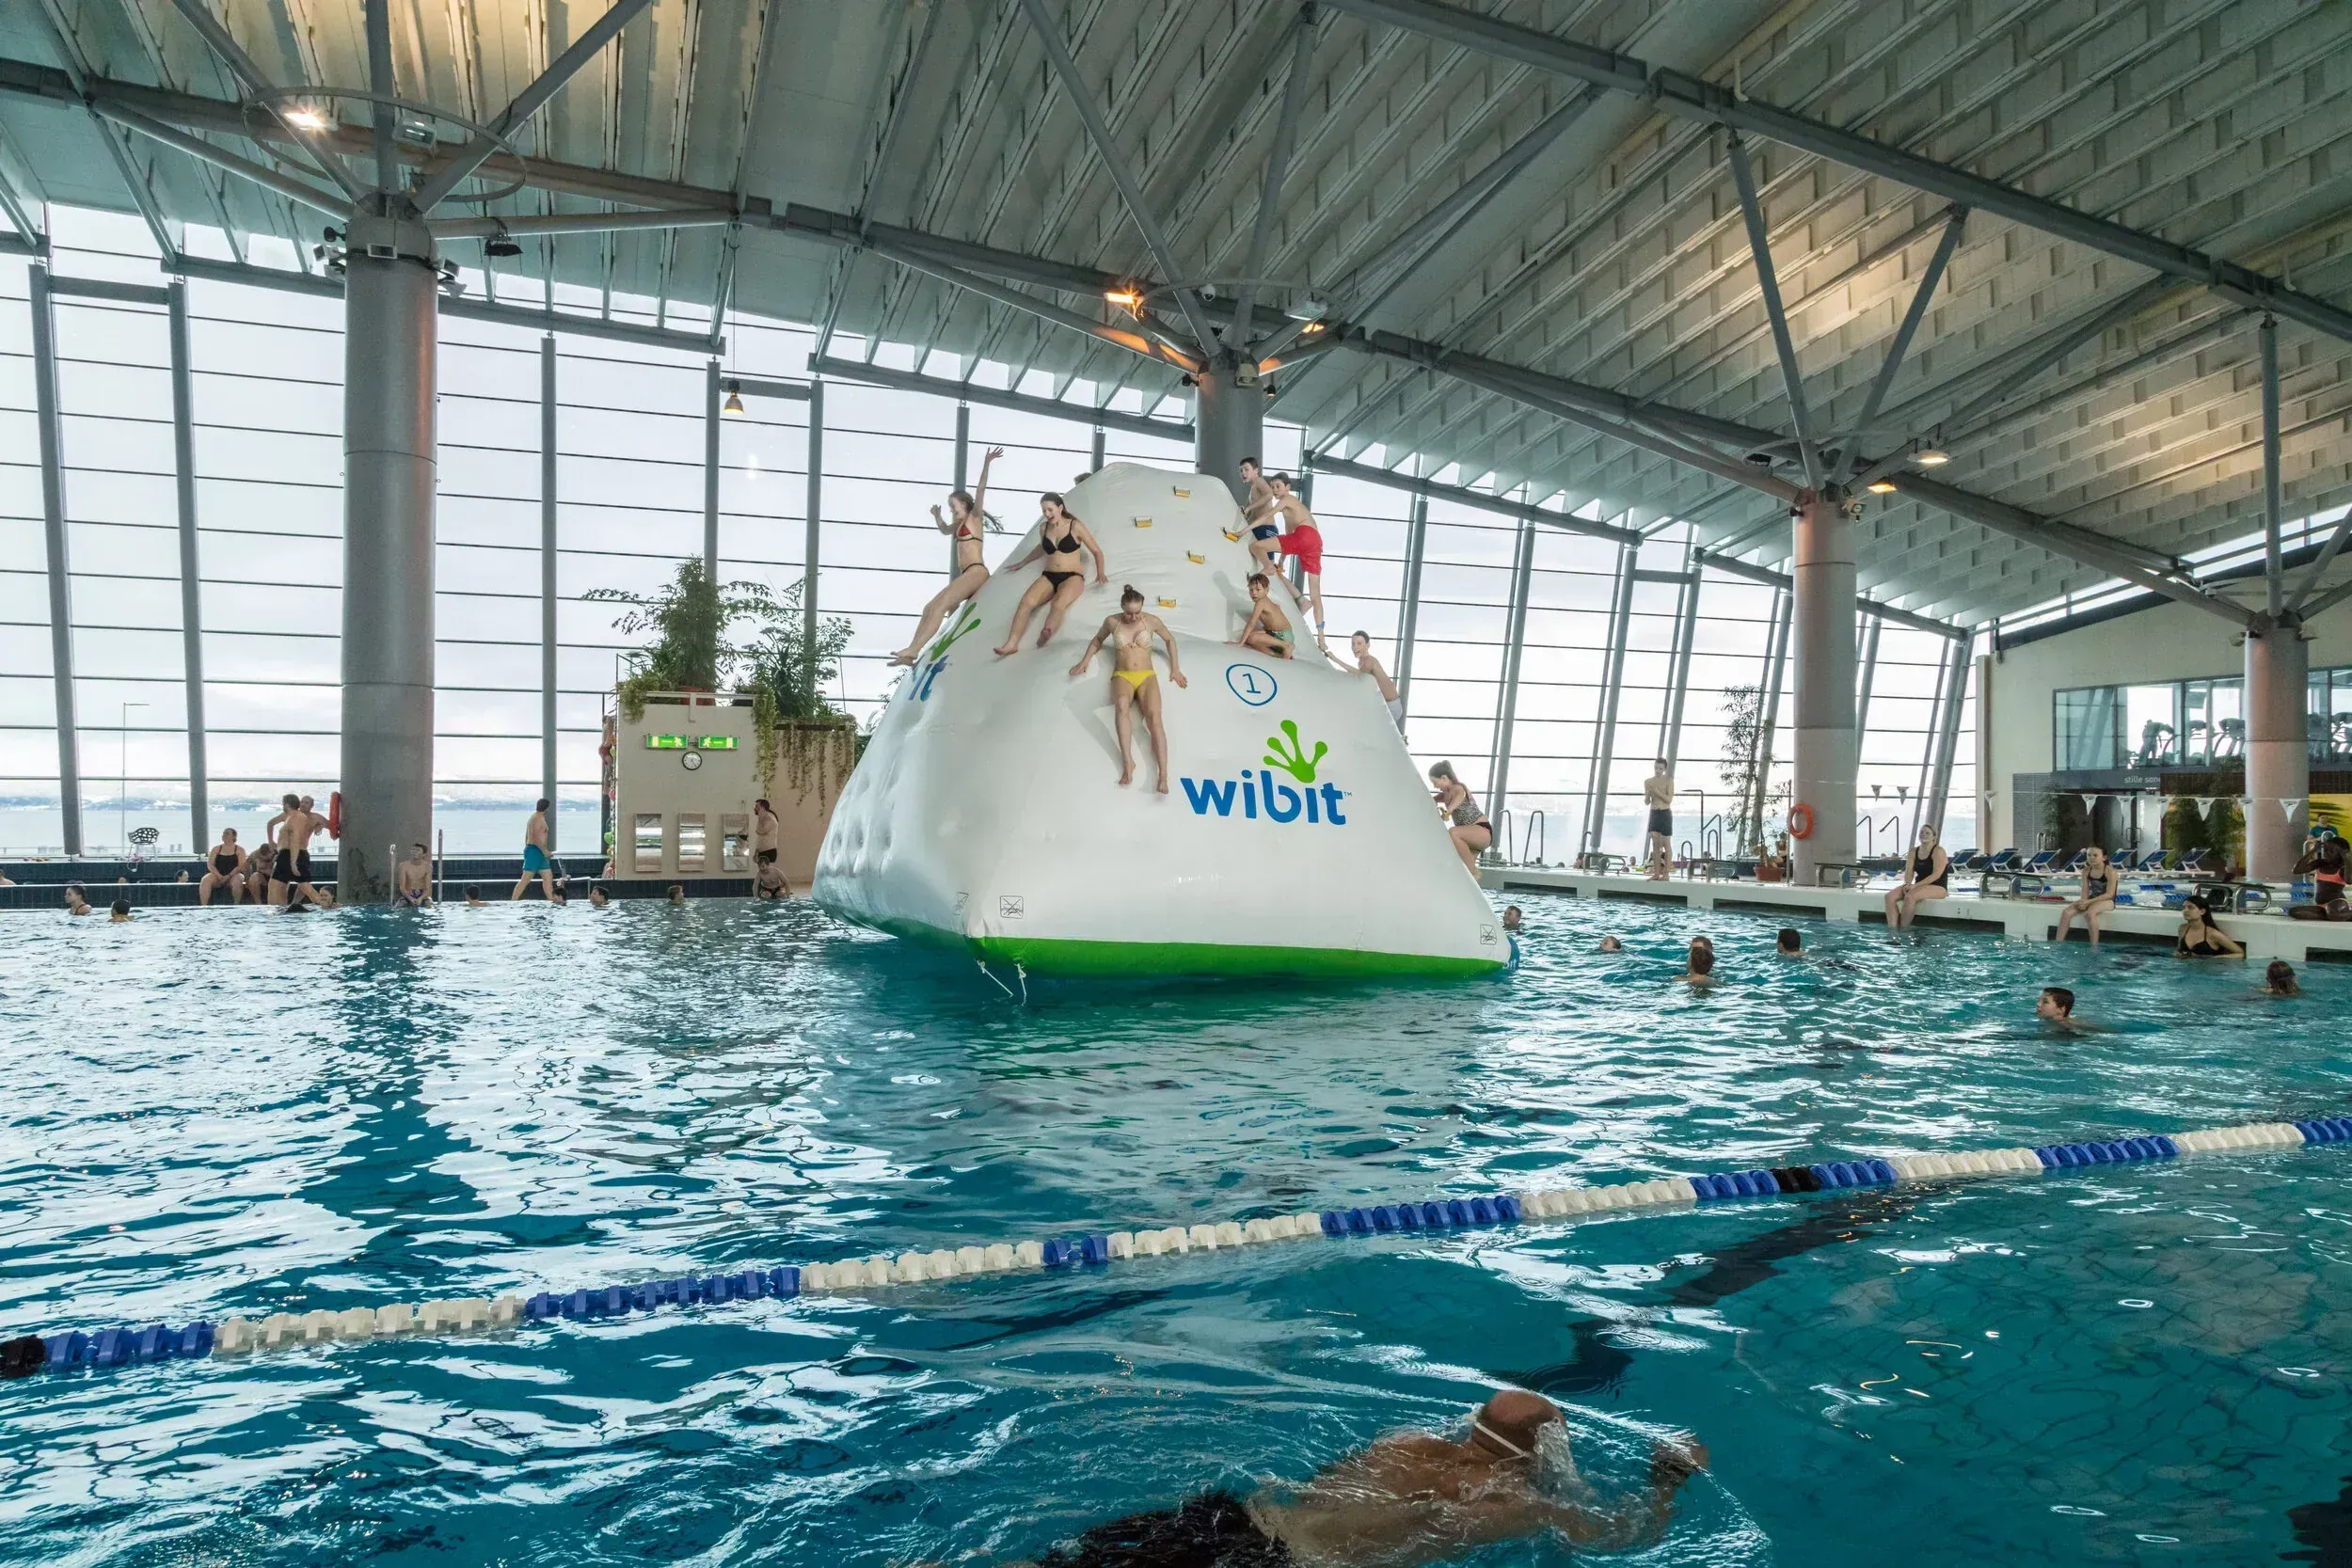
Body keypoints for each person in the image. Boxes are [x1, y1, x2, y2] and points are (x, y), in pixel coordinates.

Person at [1025, 1391, 1707, 1568]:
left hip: (1230, 1516)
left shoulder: (1401, 1443)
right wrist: (1667, 1478)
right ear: (1548, 1450)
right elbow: (1626, 1538)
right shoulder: (1511, 1501)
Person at [1070, 585, 1190, 791]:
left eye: (1137, 613)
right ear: (1122, 607)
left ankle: (1163, 775)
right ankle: (1128, 762)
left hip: (1146, 675)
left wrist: (1175, 668)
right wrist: (1085, 661)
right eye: (1129, 613)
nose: (1133, 618)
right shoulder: (1112, 622)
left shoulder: (1151, 621)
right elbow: (1098, 640)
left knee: (1154, 718)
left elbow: (1169, 640)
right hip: (1123, 675)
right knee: (1122, 706)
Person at [892, 446, 1004, 665]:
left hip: (976, 572)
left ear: (965, 504)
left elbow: (981, 489)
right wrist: (937, 516)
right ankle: (910, 652)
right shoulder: (959, 525)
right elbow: (944, 529)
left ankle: (913, 650)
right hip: (967, 574)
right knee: (929, 608)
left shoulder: (974, 518)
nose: (952, 510)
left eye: (953, 506)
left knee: (941, 606)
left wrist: (987, 463)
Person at [993, 493, 1107, 655]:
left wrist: (1101, 573)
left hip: (1072, 577)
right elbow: (1041, 548)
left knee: (1059, 603)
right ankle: (1011, 644)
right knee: (1026, 602)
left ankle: (1047, 630)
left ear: (1060, 508)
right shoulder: (1044, 528)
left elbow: (1096, 551)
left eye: (1050, 509)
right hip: (1049, 575)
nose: (1047, 514)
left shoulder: (1075, 526)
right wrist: (1023, 562)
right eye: (1044, 511)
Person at [1266, 474, 1327, 647]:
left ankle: (1320, 636)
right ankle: (1321, 636)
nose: (1275, 490)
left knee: (1315, 593)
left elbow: (1286, 536)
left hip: (1307, 537)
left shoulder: (1287, 500)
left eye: (1278, 486)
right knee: (1315, 593)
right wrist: (1281, 562)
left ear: (1287, 487)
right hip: (1311, 541)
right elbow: (1288, 539)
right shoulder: (1289, 511)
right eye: (1273, 487)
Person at [1883, 824, 1950, 930]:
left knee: (1910, 896)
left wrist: (1915, 886)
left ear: (1934, 837)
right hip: (1918, 886)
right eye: (1921, 832)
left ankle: (1904, 930)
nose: (1923, 834)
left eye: (1927, 833)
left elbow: (1936, 875)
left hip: (1938, 887)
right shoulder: (1913, 851)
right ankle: (1893, 930)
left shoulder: (1938, 851)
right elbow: (1909, 871)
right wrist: (1907, 884)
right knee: (1889, 896)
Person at [2052, 846, 2121, 946]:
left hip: (2108, 901)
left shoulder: (2110, 872)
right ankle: (2058, 943)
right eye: (2089, 855)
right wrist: (2083, 901)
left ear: (2104, 857)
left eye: (2095, 855)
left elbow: (2109, 894)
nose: (2091, 858)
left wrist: (2088, 902)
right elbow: (2085, 889)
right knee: (2066, 912)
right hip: (2090, 900)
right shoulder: (2086, 871)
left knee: (2089, 913)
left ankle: (2094, 947)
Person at [1428, 762, 1490, 870]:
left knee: (1453, 832)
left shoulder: (1459, 788)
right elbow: (1429, 800)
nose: (1435, 786)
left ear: (1444, 778)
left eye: (1435, 782)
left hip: (1482, 829)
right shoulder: (1444, 795)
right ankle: (1472, 873)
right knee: (1463, 871)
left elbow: (1456, 801)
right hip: (1469, 838)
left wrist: (1447, 812)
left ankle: (1473, 871)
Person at [1232, 573, 1299, 659]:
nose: (1254, 593)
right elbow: (1276, 610)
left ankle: (1286, 645)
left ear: (1266, 590)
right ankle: (1278, 654)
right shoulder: (1268, 602)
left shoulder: (1261, 602)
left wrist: (1240, 643)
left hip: (1283, 635)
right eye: (1251, 590)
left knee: (1251, 638)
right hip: (1280, 634)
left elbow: (1251, 623)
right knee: (1249, 639)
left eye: (1258, 589)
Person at [1349, 630, 1405, 729]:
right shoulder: (1361, 661)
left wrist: (1335, 659)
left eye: (1359, 643)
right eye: (1353, 644)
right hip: (1383, 704)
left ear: (1367, 645)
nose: (1355, 647)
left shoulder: (1368, 661)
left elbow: (1360, 677)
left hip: (1391, 707)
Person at [2291, 832, 2351, 919]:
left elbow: (2349, 881)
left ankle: (2339, 915)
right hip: (2322, 906)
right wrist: (2313, 851)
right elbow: (2297, 870)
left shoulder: (2342, 868)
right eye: (2325, 850)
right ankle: (2333, 916)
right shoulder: (2320, 863)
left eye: (2331, 851)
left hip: (2337, 904)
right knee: (2294, 912)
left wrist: (2347, 859)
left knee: (2332, 912)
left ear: (2340, 855)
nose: (2326, 853)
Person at [1239, 456, 1280, 573]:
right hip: (1260, 528)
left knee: (1268, 567)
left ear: (1256, 470)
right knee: (1268, 569)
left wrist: (1249, 508)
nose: (1243, 473)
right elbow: (1253, 515)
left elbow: (1269, 495)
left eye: (1246, 469)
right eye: (1241, 470)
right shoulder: (1252, 489)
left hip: (1266, 529)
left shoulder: (1259, 481)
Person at [2174, 894, 2244, 958]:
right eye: (2184, 907)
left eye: (2190, 907)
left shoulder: (2213, 934)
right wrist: (2177, 953)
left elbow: (2240, 953)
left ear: (2202, 911)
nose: (2185, 910)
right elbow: (2179, 949)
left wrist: (2216, 959)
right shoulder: (2182, 928)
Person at [1643, 762, 1675, 879]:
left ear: (1664, 769)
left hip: (1665, 812)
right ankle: (1656, 874)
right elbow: (1647, 802)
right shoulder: (1648, 782)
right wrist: (1648, 795)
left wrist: (1656, 792)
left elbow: (1669, 799)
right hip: (1654, 813)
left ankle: (1666, 873)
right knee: (1655, 845)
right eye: (1656, 768)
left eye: (1660, 768)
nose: (1658, 770)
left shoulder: (1669, 781)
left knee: (1666, 844)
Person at [199, 828, 244, 907]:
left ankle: (236, 904)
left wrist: (228, 876)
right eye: (223, 833)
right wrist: (219, 876)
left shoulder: (239, 850)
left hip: (233, 875)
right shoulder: (216, 849)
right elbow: (210, 864)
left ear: (234, 836)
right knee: (205, 880)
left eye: (227, 833)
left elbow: (240, 866)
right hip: (217, 874)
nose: (224, 835)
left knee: (238, 879)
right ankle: (203, 906)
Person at [394, 842, 433, 907]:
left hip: (422, 895)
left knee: (430, 906)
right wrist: (410, 898)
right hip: (408, 894)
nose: (414, 852)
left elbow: (428, 888)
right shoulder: (403, 865)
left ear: (424, 854)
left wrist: (421, 898)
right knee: (399, 907)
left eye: (418, 850)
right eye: (413, 849)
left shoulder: (428, 866)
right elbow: (402, 887)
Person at [754, 798, 780, 876]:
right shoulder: (762, 819)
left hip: (769, 851)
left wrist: (760, 817)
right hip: (762, 851)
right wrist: (756, 851)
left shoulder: (770, 820)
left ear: (763, 808)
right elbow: (759, 835)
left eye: (757, 806)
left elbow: (760, 831)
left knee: (769, 875)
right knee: (763, 875)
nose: (755, 808)